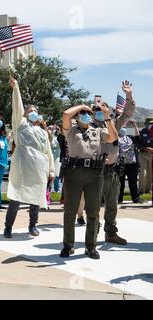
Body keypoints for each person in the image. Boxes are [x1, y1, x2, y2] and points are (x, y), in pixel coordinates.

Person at [60, 102, 118, 260]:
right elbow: (66, 114)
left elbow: (113, 137)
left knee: (93, 212)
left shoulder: (98, 131)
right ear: (78, 116)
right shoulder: (71, 131)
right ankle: (68, 245)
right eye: (82, 113)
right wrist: (82, 106)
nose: (85, 115)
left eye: (88, 113)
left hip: (94, 174)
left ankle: (91, 246)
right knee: (70, 211)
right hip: (74, 173)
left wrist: (107, 119)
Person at [3, 78, 55, 238]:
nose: (32, 112)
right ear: (25, 114)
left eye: (35, 111)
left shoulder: (42, 131)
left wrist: (51, 170)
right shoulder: (21, 123)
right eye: (29, 110)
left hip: (39, 166)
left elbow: (48, 152)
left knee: (36, 197)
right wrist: (16, 88)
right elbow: (17, 107)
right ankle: (8, 227)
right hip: (22, 164)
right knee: (16, 197)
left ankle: (33, 225)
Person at [92, 81, 135, 245]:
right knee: (94, 206)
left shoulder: (115, 124)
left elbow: (128, 113)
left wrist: (128, 95)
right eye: (97, 109)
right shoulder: (89, 126)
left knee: (112, 205)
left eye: (103, 109)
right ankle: (92, 234)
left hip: (113, 171)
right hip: (96, 171)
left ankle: (111, 233)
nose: (100, 111)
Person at [118, 120, 142, 204]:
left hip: (132, 164)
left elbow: (138, 138)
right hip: (120, 164)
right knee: (120, 183)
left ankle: (136, 199)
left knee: (133, 182)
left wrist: (135, 125)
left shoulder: (130, 137)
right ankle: (119, 199)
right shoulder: (115, 138)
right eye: (121, 128)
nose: (123, 129)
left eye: (124, 128)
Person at [138, 118, 153, 195]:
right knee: (143, 173)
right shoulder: (141, 132)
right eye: (149, 123)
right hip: (143, 154)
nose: (151, 125)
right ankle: (141, 190)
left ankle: (147, 190)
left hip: (152, 155)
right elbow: (138, 144)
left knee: (150, 173)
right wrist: (145, 148)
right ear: (146, 124)